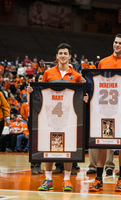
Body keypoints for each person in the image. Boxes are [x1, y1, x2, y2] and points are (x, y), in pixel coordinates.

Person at [28, 43, 88, 192]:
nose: (62, 55)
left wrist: (85, 95)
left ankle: (67, 179)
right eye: (60, 53)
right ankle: (48, 179)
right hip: (50, 117)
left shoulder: (77, 76)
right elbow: (40, 94)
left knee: (68, 147)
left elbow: (80, 96)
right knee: (48, 147)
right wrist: (31, 91)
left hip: (68, 118)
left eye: (65, 53)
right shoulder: (48, 73)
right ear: (56, 56)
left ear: (69, 56)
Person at [89, 33, 121, 192]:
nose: (117, 45)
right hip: (105, 110)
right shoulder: (103, 62)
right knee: (102, 145)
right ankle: (98, 178)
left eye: (120, 43)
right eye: (115, 42)